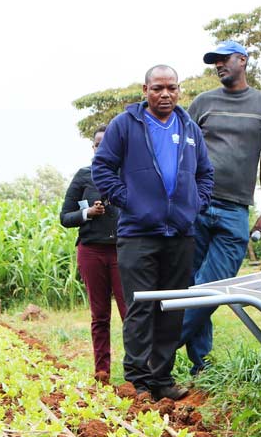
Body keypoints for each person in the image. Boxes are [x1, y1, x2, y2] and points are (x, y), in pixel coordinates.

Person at [92, 65, 214, 401]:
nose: (165, 94)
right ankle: (138, 381)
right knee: (141, 306)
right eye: (158, 88)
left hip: (180, 233)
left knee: (171, 307)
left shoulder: (189, 127)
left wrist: (195, 203)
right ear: (145, 90)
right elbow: (102, 167)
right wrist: (128, 200)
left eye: (171, 88)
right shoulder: (125, 125)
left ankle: (162, 378)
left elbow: (205, 173)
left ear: (179, 90)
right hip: (138, 233)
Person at [179, 41, 261, 375]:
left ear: (243, 60)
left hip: (236, 208)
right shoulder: (202, 103)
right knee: (193, 283)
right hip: (196, 205)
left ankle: (161, 346)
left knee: (213, 285)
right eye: (215, 62)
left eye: (225, 59)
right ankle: (201, 364)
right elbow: (182, 151)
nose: (220, 65)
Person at [61, 126, 127, 382]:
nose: (103, 148)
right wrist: (87, 213)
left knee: (130, 312)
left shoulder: (127, 174)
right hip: (91, 251)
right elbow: (65, 217)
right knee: (99, 315)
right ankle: (102, 371)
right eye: (99, 144)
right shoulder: (83, 176)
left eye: (108, 143)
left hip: (123, 251)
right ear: (93, 148)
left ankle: (136, 371)